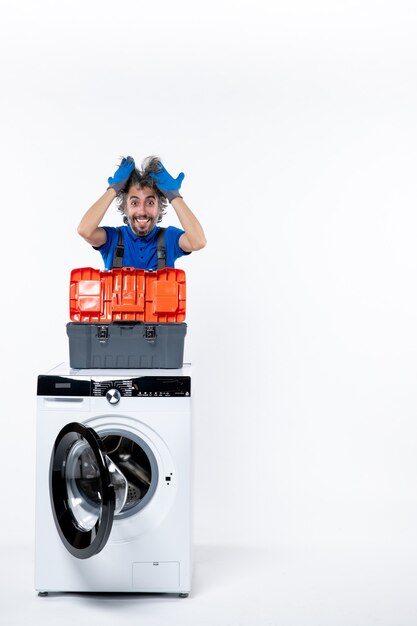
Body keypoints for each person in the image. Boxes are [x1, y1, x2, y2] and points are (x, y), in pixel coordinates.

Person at [78, 156, 206, 269]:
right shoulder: (113, 238)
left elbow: (198, 241)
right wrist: (113, 190)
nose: (142, 211)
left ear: (160, 207)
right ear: (124, 207)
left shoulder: (169, 238)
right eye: (134, 203)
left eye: (150, 203)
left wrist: (174, 195)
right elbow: (85, 230)